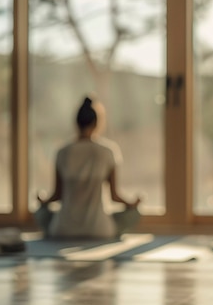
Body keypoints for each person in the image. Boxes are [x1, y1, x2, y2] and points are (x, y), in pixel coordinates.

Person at [35, 96, 141, 239]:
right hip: (99, 229)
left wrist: (42, 200)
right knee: (134, 213)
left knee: (41, 212)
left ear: (76, 123)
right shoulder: (108, 151)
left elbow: (56, 195)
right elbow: (114, 196)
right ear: (97, 123)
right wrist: (133, 203)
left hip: (63, 229)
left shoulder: (63, 152)